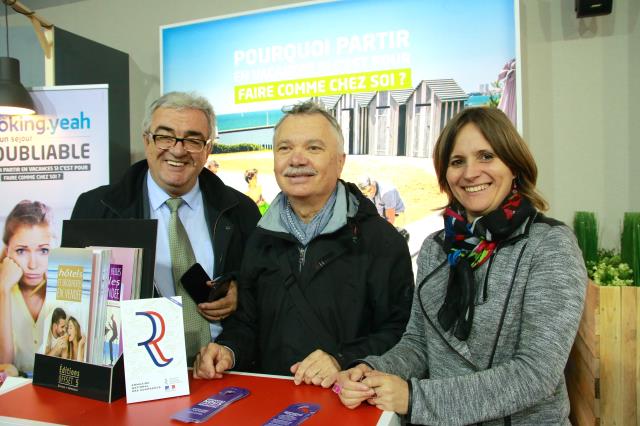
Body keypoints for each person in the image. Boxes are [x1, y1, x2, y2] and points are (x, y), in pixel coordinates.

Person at [334, 107, 588, 425]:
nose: (470, 173)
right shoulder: (436, 249)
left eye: (486, 156)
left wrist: (414, 399)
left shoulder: (550, 245)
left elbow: (535, 374)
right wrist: (372, 370)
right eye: (457, 162)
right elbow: (419, 345)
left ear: (514, 165)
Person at [193, 101, 414, 387]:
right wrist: (228, 350)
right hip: (273, 403)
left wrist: (342, 359)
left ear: (340, 161)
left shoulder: (380, 241)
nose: (296, 160)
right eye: (285, 148)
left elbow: (402, 332)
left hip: (352, 405)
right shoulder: (260, 238)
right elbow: (246, 323)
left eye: (313, 148)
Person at [71, 91, 260, 364]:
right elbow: (77, 301)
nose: (178, 149)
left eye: (193, 140)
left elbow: (261, 293)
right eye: (165, 136)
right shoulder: (95, 209)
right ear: (146, 140)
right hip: (132, 374)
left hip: (220, 371)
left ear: (208, 149)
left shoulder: (241, 211)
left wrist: (239, 295)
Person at [0, 200, 53, 374]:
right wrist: (3, 290)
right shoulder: (4, 289)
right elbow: (4, 365)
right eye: (21, 250)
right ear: (7, 251)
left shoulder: (65, 288)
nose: (33, 264)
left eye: (43, 250)